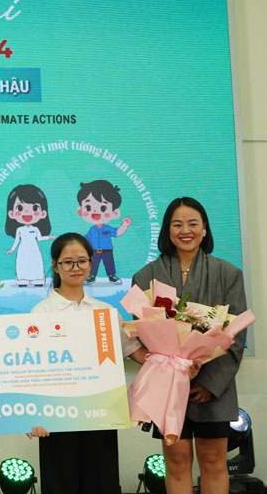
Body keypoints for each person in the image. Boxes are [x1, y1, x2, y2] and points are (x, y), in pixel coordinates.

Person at [132, 197, 247, 494]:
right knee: (177, 460)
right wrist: (169, 368)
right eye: (177, 224)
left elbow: (235, 336)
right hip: (167, 386)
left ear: (205, 229)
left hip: (212, 389)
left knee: (213, 461)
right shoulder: (146, 277)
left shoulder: (228, 274)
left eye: (193, 223)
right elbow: (141, 332)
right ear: (167, 231)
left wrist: (210, 383)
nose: (186, 230)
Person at [27, 232, 147, 494]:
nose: (75, 267)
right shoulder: (41, 313)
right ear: (55, 266)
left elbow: (137, 354)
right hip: (56, 420)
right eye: (67, 262)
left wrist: (176, 361)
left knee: (102, 485)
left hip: (99, 416)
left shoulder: (105, 312)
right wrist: (32, 415)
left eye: (82, 261)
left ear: (91, 264)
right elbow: (31, 370)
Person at [76, 180, 132, 285]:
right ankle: (91, 277)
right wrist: (79, 237)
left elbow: (117, 233)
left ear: (114, 213)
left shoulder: (107, 228)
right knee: (93, 264)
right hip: (94, 251)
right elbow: (87, 238)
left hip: (107, 250)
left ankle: (112, 276)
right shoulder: (92, 229)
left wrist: (124, 225)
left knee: (109, 263)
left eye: (103, 208)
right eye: (88, 207)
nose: (96, 212)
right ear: (81, 211)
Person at [4, 184, 55, 287]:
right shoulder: (20, 229)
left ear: (43, 214)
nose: (27, 212)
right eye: (19, 208)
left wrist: (49, 237)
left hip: (34, 249)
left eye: (35, 208)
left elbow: (40, 239)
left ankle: (38, 280)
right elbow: (17, 240)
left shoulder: (35, 229)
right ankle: (23, 280)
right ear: (11, 214)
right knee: (22, 263)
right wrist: (12, 249)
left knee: (36, 262)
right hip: (23, 249)